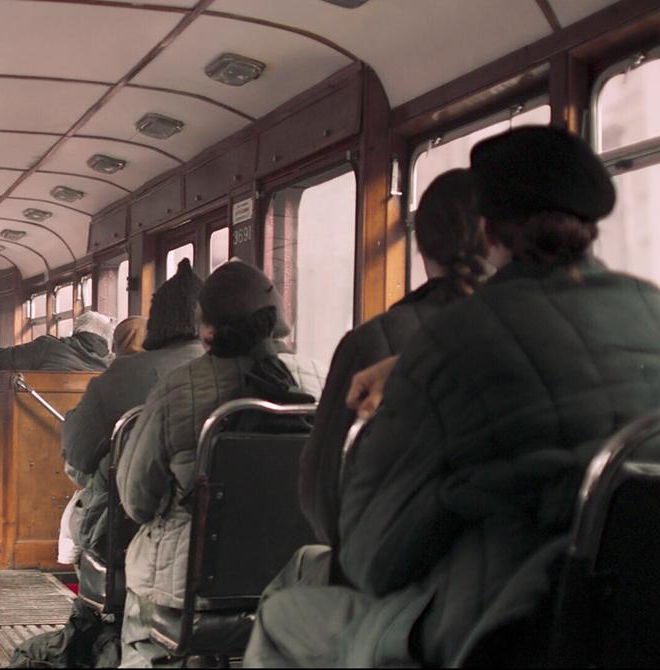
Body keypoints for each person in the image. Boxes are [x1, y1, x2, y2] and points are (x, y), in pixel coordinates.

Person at [244, 126, 660, 667]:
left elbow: (372, 558)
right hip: (625, 625)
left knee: (282, 615)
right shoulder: (651, 313)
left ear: (489, 231)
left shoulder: (451, 342)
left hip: (496, 630)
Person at [116, 260, 321, 667]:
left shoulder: (177, 389)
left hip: (188, 593)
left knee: (141, 607)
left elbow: (136, 501)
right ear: (278, 318)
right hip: (299, 579)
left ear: (205, 327)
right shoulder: (321, 380)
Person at [299, 169, 488, 550]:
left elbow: (323, 500)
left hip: (398, 565)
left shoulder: (370, 345)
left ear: (421, 245)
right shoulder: (538, 334)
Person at [63, 259, 204, 561]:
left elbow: (77, 456)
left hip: (130, 535)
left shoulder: (120, 378)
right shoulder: (245, 377)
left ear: (156, 322)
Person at [0, 310, 114, 373]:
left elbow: (1, 359)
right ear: (107, 337)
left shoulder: (47, 347)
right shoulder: (113, 364)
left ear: (76, 330)